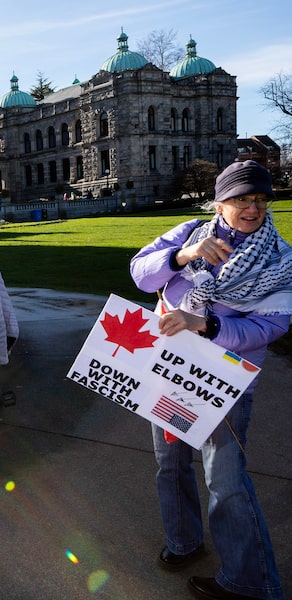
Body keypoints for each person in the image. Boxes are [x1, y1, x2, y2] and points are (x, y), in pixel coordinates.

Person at [130, 160, 292, 600]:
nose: (253, 208)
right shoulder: (191, 232)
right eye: (241, 198)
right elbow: (141, 274)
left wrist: (205, 325)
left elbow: (273, 325)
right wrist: (184, 256)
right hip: (170, 369)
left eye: (259, 199)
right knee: (171, 463)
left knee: (226, 481)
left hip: (222, 381)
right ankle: (184, 542)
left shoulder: (279, 257)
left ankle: (250, 581)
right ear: (220, 202)